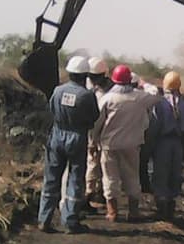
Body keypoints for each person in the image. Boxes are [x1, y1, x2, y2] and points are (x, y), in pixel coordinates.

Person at [37, 56, 100, 234]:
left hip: (57, 135)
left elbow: (51, 109)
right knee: (75, 178)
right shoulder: (87, 95)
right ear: (85, 75)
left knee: (51, 178)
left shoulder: (57, 91)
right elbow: (94, 117)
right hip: (76, 137)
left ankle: (44, 219)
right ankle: (70, 221)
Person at [91, 64, 158, 222]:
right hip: (132, 145)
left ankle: (112, 213)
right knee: (132, 177)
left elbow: (96, 123)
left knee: (110, 178)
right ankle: (133, 212)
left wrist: (93, 141)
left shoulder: (107, 98)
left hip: (109, 145)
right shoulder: (140, 98)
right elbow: (153, 99)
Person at [149, 71, 184, 220]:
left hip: (162, 143)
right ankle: (171, 207)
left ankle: (162, 208)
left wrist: (150, 147)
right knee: (174, 174)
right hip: (177, 143)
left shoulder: (159, 104)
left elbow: (154, 127)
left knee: (160, 174)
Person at [84, 57, 111, 210]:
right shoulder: (93, 89)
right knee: (94, 163)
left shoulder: (105, 91)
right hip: (98, 131)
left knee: (97, 163)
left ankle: (96, 192)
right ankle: (90, 193)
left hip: (101, 131)